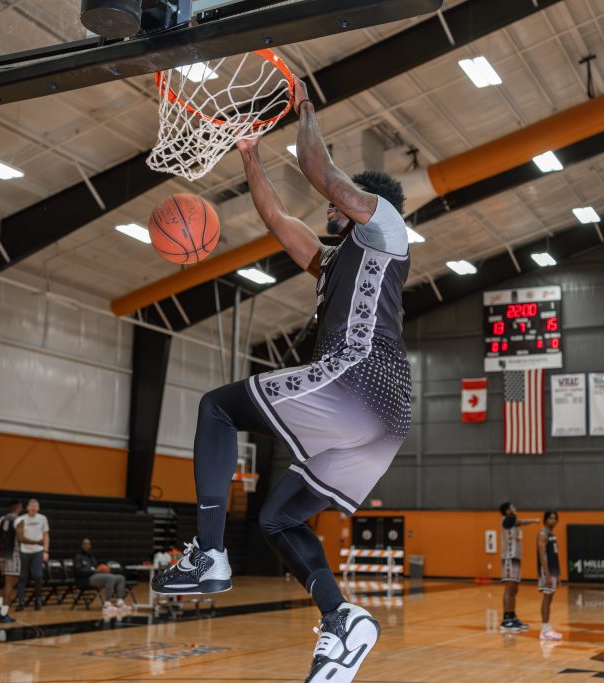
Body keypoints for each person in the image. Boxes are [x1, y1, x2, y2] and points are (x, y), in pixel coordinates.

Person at [150, 78, 411, 683]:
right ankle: (343, 620)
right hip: (383, 426)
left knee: (217, 408)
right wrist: (249, 155)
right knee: (279, 520)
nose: (330, 207)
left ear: (363, 203)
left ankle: (210, 552)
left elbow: (321, 170)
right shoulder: (332, 261)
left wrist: (307, 106)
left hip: (358, 382)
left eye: (341, 202)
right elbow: (276, 217)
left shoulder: (385, 229)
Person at [497, 502, 539, 633]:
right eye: (513, 507)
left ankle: (512, 617)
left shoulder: (513, 521)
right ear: (508, 510)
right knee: (509, 589)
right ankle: (506, 620)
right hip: (509, 558)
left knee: (515, 589)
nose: (515, 508)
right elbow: (522, 521)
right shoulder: (507, 520)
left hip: (516, 558)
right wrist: (533, 520)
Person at [0, 499, 23, 623]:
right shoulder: (18, 520)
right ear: (18, 507)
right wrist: (35, 541)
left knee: (12, 581)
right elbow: (21, 538)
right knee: (10, 583)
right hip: (12, 553)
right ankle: (3, 614)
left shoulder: (2, 519)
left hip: (2, 553)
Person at [73, 538, 129, 613]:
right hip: (85, 579)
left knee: (120, 578)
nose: (87, 546)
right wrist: (93, 571)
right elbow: (78, 572)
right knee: (110, 577)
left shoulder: (91, 557)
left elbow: (97, 568)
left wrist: (102, 570)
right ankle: (107, 604)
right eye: (85, 544)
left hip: (95, 576)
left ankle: (120, 601)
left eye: (89, 544)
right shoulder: (78, 557)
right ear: (81, 545)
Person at [15, 498, 50, 611]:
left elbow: (46, 535)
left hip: (38, 551)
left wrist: (45, 551)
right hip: (24, 551)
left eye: (36, 506)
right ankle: (21, 601)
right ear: (28, 507)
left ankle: (37, 599)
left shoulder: (42, 518)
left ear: (38, 508)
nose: (34, 507)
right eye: (32, 505)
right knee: (22, 577)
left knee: (38, 576)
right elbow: (19, 537)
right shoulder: (21, 519)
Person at [537, 510, 562, 641]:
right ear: (545, 520)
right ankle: (544, 630)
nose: (554, 521)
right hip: (546, 572)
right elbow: (542, 556)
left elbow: (554, 556)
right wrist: (546, 574)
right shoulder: (543, 534)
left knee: (550, 598)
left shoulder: (552, 534)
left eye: (555, 518)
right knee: (547, 599)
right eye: (551, 518)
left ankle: (547, 628)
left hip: (553, 572)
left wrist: (557, 575)